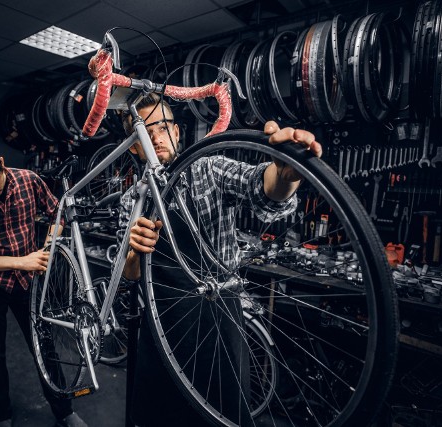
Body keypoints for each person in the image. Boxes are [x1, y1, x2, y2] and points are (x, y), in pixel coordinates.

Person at [116, 94, 322, 426]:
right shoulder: (133, 200)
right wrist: (134, 252)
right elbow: (128, 274)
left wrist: (284, 176)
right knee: (159, 415)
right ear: (135, 147)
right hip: (160, 321)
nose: (156, 136)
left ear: (178, 132)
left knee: (221, 414)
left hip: (218, 318)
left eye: (163, 125)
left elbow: (260, 187)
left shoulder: (207, 169)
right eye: (145, 131)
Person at [0, 140, 87, 427]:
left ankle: (64, 411)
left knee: (44, 347)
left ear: (0, 163)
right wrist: (20, 261)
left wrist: (47, 248)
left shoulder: (28, 180)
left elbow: (56, 214)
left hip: (29, 283)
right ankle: (2, 415)